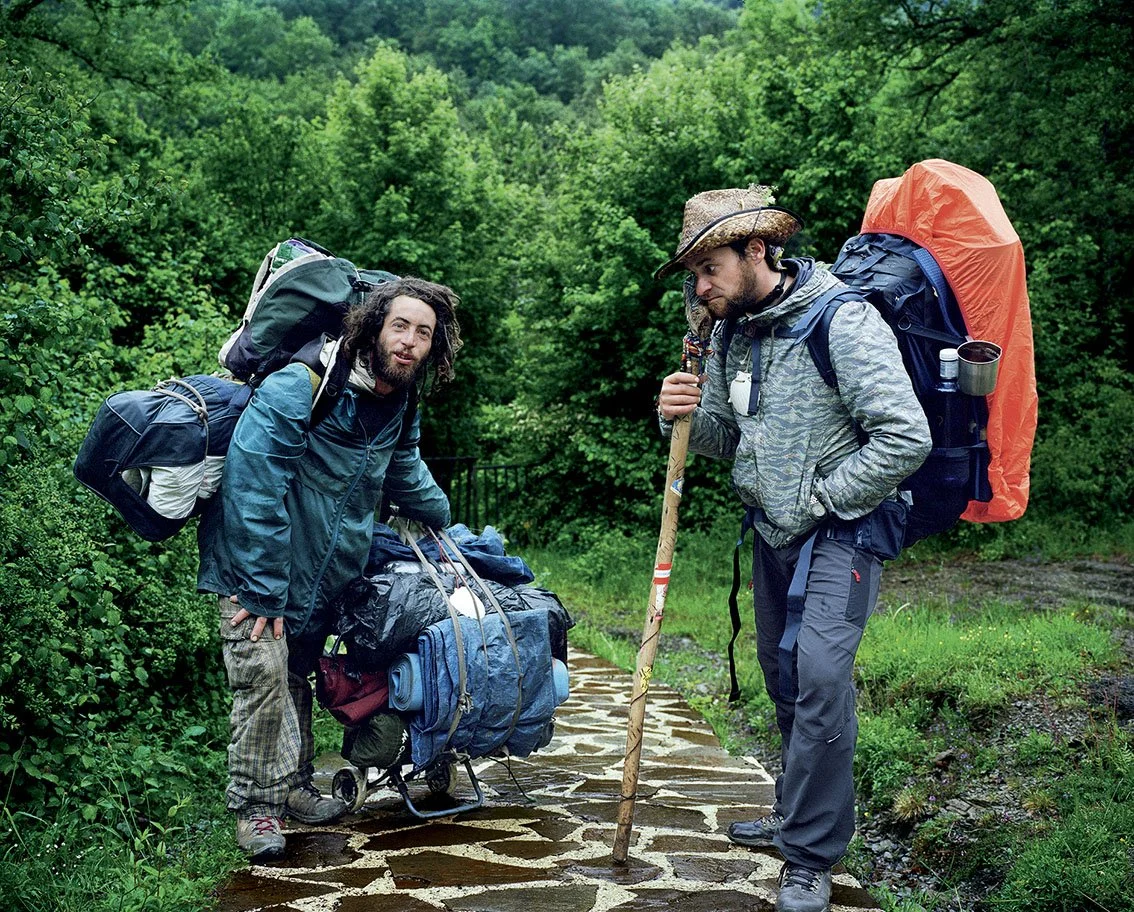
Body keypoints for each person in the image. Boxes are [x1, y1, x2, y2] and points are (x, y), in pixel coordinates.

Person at [654, 186, 931, 912]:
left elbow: (906, 436)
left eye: (708, 269)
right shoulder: (731, 334)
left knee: (819, 678)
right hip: (773, 531)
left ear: (755, 251)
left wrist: (820, 498)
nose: (700, 287)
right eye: (693, 275)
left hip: (845, 528)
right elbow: (718, 437)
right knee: (783, 674)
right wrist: (675, 414)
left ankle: (809, 858)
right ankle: (792, 813)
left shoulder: (842, 320)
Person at [197, 276, 461, 860]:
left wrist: (440, 515)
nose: (410, 342)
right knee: (263, 683)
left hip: (324, 574)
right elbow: (252, 485)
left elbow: (404, 466)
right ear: (372, 326)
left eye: (424, 333)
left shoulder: (399, 398)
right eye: (400, 326)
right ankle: (256, 811)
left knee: (293, 677)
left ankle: (291, 788)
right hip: (254, 570)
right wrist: (264, 589)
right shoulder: (302, 385)